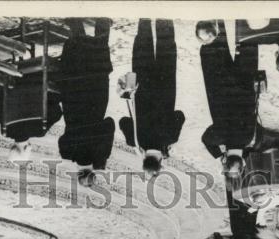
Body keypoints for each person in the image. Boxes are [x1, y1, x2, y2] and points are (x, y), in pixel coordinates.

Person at [120, 19, 185, 175]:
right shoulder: (134, 140)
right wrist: (137, 147)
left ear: (160, 160)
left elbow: (180, 115)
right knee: (143, 45)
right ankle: (144, 16)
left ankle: (165, 16)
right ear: (144, 159)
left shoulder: (170, 138)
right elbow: (123, 121)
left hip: (165, 89)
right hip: (142, 88)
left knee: (167, 47)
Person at [199, 20, 260, 177]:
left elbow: (260, 131)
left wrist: (244, 154)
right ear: (225, 158)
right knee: (217, 37)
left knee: (248, 40)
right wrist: (219, 155)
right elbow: (205, 139)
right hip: (221, 82)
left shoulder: (249, 139)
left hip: (245, 84)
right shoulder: (218, 137)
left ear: (243, 161)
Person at [56, 19, 115, 175]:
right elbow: (62, 139)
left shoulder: (101, 153)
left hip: (96, 100)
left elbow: (109, 124)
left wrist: (101, 159)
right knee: (77, 63)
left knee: (98, 60)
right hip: (72, 102)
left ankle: (102, 25)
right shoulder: (67, 153)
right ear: (78, 172)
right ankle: (75, 25)